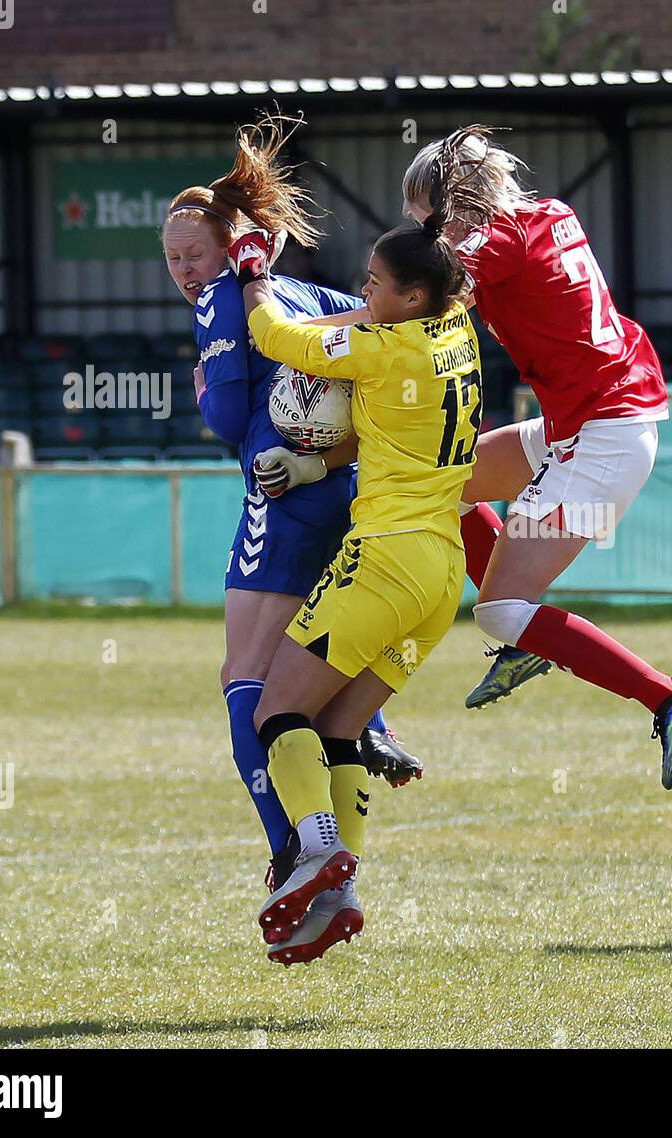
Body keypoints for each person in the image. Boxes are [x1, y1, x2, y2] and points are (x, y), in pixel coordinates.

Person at [230, 152, 485, 965]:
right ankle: (336, 890)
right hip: (444, 576)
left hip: (385, 559)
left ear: (411, 297)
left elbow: (272, 334)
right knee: (340, 727)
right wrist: (321, 460)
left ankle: (315, 849)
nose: (362, 293)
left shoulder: (385, 349)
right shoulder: (454, 330)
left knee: (277, 713)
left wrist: (252, 272)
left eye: (374, 285)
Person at [161, 113, 422, 901]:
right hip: (345, 495)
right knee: (314, 676)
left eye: (194, 254)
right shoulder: (320, 293)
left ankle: (296, 852)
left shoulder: (221, 300)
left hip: (279, 500)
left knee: (245, 673)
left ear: (232, 250)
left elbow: (231, 417)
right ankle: (362, 767)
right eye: (171, 258)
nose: (183, 270)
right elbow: (379, 332)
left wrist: (206, 391)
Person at [403, 126, 672, 790]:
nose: (429, 241)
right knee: (440, 488)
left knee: (501, 607)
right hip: (594, 417)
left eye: (428, 224)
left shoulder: (492, 243)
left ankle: (666, 694)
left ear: (457, 205)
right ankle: (525, 640)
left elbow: (416, 304)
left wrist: (310, 333)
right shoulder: (551, 214)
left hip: (605, 434)